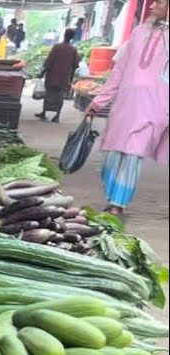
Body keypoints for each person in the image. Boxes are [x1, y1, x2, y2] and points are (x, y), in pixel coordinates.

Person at [85, 0, 168, 215]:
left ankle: (118, 204)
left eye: (159, 2)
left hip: (156, 107)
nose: (151, 6)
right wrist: (98, 102)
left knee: (133, 153)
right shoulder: (139, 32)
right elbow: (119, 71)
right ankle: (112, 196)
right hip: (125, 104)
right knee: (113, 155)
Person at [37, 28, 79, 122]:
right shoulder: (73, 50)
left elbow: (49, 62)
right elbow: (75, 66)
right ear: (72, 37)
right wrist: (70, 80)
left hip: (52, 75)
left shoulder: (57, 47)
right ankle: (57, 116)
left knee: (48, 94)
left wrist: (42, 72)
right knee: (60, 96)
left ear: (64, 35)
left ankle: (44, 112)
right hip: (64, 77)